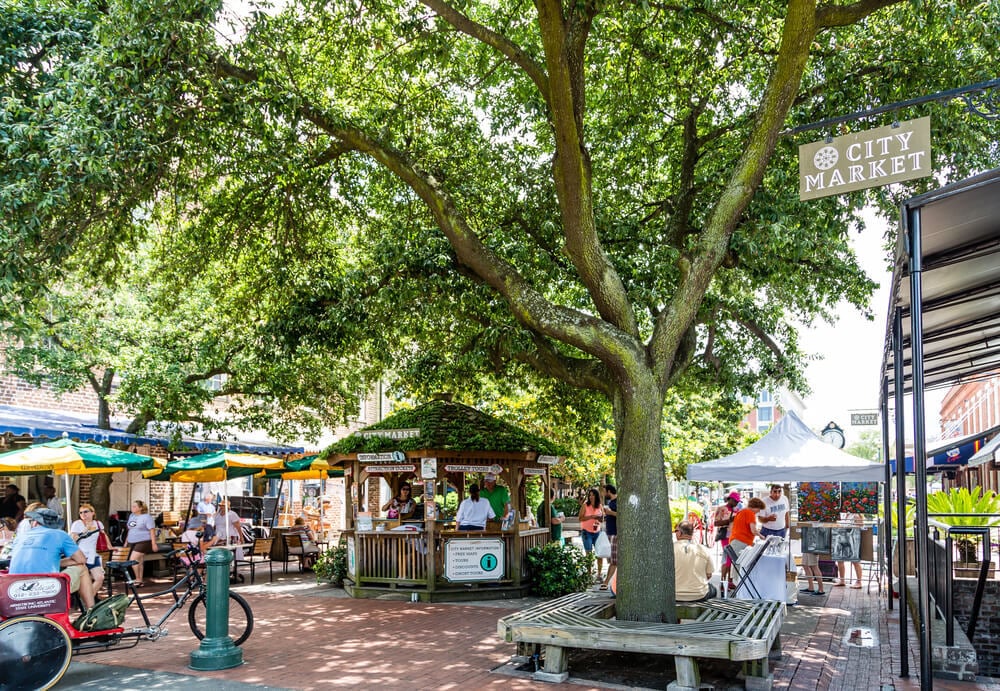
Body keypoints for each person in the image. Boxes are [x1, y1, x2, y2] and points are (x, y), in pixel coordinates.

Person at [9, 508, 95, 610]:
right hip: (46, 588)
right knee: (82, 568)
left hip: (15, 588)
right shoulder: (60, 534)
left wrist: (53, 561)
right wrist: (58, 562)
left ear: (35, 522)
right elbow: (81, 559)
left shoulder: (20, 537)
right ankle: (91, 612)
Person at [70, 503, 110, 595]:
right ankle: (87, 600)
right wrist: (84, 531)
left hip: (92, 554)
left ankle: (88, 598)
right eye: (81, 513)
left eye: (86, 512)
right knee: (80, 580)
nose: (83, 514)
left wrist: (110, 546)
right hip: (80, 555)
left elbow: (103, 535)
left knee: (100, 578)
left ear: (93, 513)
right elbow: (72, 538)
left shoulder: (98, 523)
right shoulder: (77, 524)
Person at [673, 520, 717, 602]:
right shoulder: (703, 549)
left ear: (679, 533)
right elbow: (709, 575)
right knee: (713, 589)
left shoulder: (669, 549)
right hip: (699, 595)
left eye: (676, 530)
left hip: (674, 595)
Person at [125, 500, 158, 586]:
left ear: (140, 508)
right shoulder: (131, 516)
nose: (132, 508)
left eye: (135, 506)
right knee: (139, 561)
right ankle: (140, 580)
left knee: (133, 559)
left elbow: (152, 530)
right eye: (132, 506)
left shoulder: (146, 517)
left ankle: (138, 579)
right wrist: (126, 541)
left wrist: (154, 544)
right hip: (132, 541)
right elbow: (130, 529)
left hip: (144, 541)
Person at [713, 492, 740, 586]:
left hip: (734, 536)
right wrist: (729, 520)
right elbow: (716, 523)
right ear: (730, 499)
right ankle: (723, 582)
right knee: (727, 559)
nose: (737, 503)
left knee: (731, 559)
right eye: (735, 501)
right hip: (725, 536)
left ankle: (729, 581)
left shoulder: (736, 510)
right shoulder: (722, 509)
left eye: (738, 501)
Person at [578, 488, 605, 579]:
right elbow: (580, 518)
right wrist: (591, 517)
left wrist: (599, 519)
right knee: (588, 553)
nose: (591, 497)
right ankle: (589, 574)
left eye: (593, 495)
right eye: (590, 495)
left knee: (600, 554)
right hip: (587, 532)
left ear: (596, 496)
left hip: (597, 532)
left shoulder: (600, 506)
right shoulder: (585, 505)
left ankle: (599, 574)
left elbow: (602, 519)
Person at [834, 512, 864, 589]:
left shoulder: (856, 515)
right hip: (841, 537)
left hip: (852, 538)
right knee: (839, 560)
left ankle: (859, 581)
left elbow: (861, 526)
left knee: (855, 561)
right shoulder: (843, 514)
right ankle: (842, 580)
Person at [602, 485, 618, 590]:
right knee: (611, 559)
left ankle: (606, 582)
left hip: (615, 534)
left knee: (614, 560)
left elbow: (620, 515)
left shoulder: (617, 501)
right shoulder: (610, 502)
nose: (603, 494)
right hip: (609, 533)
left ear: (609, 491)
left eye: (604, 491)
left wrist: (610, 512)